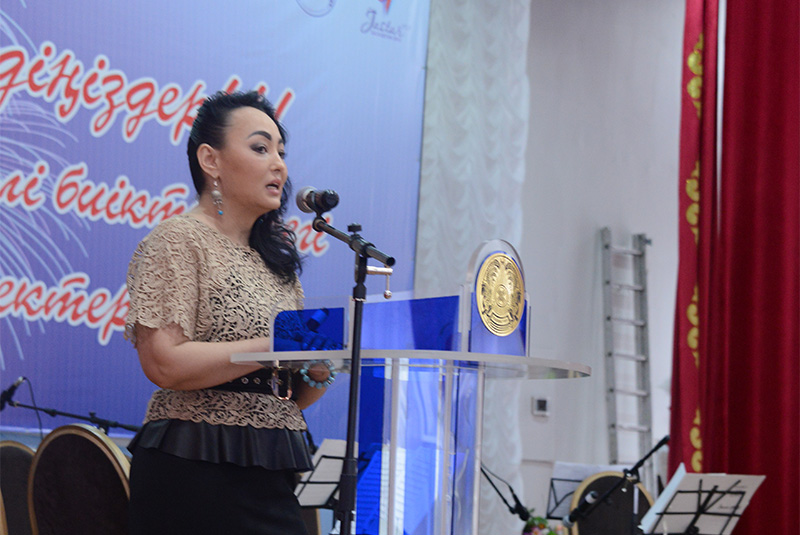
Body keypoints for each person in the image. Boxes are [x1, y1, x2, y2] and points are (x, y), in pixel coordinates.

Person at [124, 90, 334, 535]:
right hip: (194, 470)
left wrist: (317, 371)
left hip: (270, 465)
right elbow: (163, 363)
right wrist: (273, 345)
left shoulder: (277, 265)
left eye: (281, 153)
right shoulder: (178, 240)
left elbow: (280, 393)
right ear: (210, 160)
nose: (279, 165)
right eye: (260, 148)